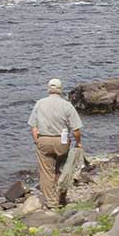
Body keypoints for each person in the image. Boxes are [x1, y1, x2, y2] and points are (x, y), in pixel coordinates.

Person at [27, 78, 81, 208]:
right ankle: (61, 197)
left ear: (48, 89)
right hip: (61, 141)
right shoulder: (66, 105)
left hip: (43, 140)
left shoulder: (40, 103)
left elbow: (33, 125)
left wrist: (36, 140)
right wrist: (78, 143)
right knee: (62, 169)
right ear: (60, 90)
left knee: (46, 172)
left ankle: (51, 202)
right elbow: (76, 129)